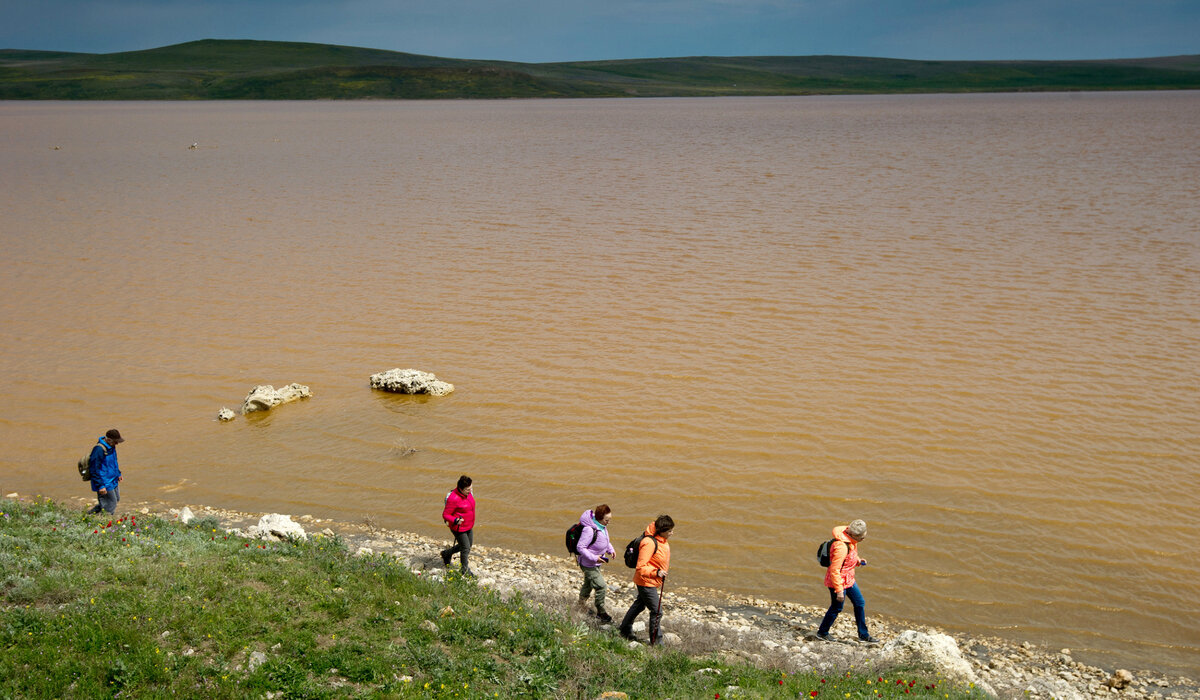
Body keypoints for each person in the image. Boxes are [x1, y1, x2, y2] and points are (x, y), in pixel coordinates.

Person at [816, 519, 878, 643]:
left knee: (859, 603)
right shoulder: (841, 547)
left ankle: (863, 635)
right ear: (854, 535)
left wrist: (858, 561)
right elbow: (834, 570)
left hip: (849, 579)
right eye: (861, 538)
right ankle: (822, 632)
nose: (863, 539)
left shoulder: (851, 541)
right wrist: (839, 591)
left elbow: (850, 557)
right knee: (836, 607)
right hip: (837, 582)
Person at [618, 514, 673, 644]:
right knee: (657, 611)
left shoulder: (661, 540)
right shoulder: (648, 543)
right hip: (645, 581)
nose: (672, 533)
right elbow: (640, 567)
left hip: (650, 580)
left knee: (639, 605)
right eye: (670, 531)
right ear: (662, 531)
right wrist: (657, 572)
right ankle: (657, 643)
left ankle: (625, 629)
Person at [575, 504, 617, 623]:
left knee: (588, 584)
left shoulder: (602, 526)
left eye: (610, 519)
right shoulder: (589, 530)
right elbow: (580, 547)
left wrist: (611, 550)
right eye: (606, 520)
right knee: (601, 586)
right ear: (599, 518)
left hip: (596, 563)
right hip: (588, 564)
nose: (608, 522)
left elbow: (605, 540)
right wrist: (594, 558)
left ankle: (580, 604)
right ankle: (601, 612)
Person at [440, 475, 476, 577]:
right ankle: (464, 570)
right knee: (465, 548)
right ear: (460, 489)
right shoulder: (453, 498)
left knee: (467, 546)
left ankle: (446, 554)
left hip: (468, 525)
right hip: (458, 527)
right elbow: (445, 515)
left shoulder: (468, 493)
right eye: (468, 489)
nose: (470, 491)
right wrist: (455, 520)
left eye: (471, 488)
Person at [87, 429, 125, 515]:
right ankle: (106, 524)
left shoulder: (111, 447)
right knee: (111, 504)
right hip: (104, 482)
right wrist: (100, 486)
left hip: (113, 479)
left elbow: (114, 461)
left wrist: (118, 473)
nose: (117, 444)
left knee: (116, 499)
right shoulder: (98, 450)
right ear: (108, 440)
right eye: (116, 442)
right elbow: (94, 469)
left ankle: (89, 515)